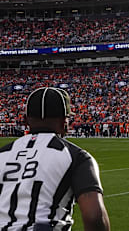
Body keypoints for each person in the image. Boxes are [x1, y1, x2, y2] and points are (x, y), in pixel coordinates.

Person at [0, 87, 110, 231]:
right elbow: (94, 217)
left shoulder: (3, 153)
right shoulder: (75, 156)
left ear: (25, 120)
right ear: (65, 120)